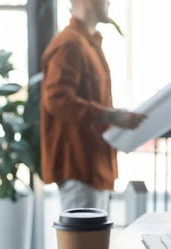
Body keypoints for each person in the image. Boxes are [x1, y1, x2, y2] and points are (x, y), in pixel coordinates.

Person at [41, 0, 146, 212]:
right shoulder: (69, 44)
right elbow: (57, 100)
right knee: (79, 243)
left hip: (93, 166)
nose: (109, 3)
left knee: (87, 242)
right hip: (79, 166)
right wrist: (112, 116)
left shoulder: (88, 43)